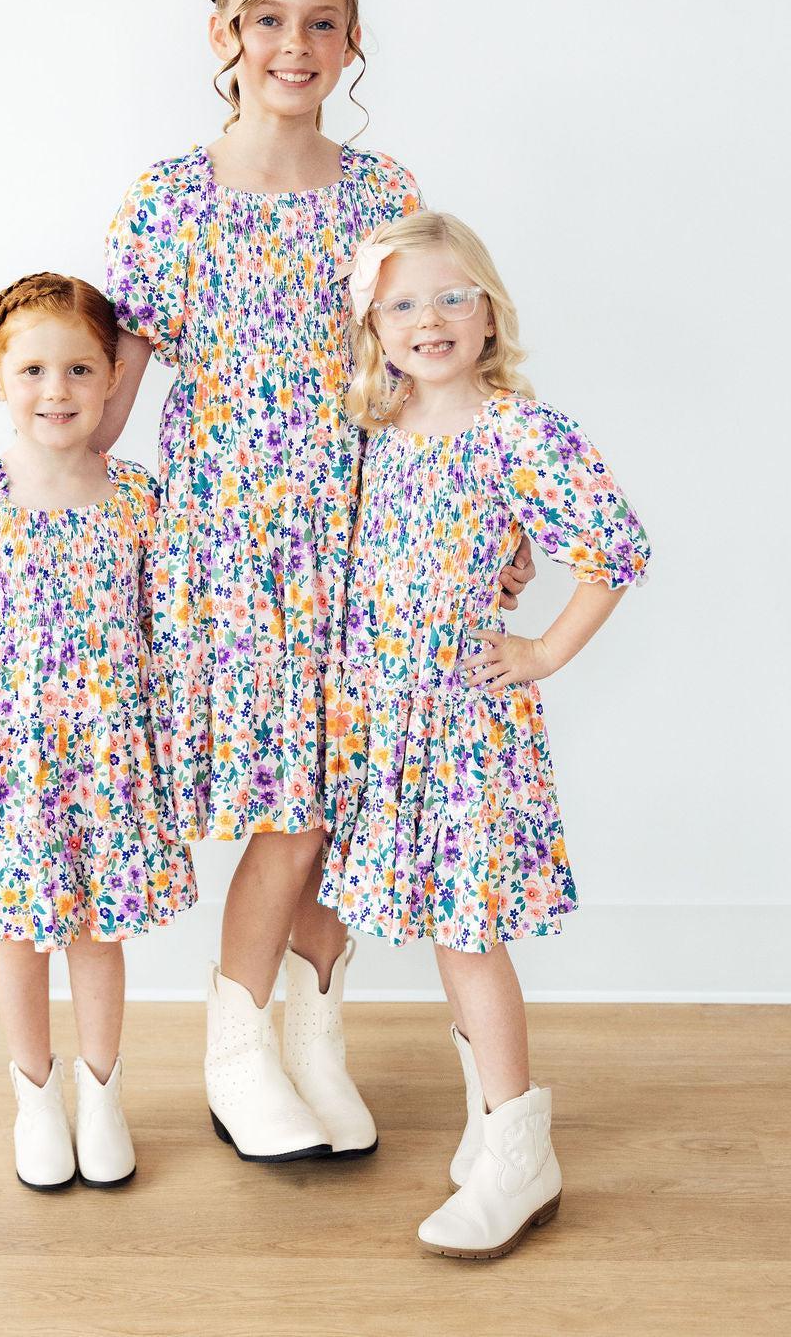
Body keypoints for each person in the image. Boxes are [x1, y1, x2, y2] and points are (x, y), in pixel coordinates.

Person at [97, 0, 534, 1163]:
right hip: (234, 542)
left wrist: (488, 518)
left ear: (350, 43)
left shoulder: (380, 192)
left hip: (373, 529)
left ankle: (312, 1032)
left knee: (349, 797)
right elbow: (111, 400)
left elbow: (430, 371)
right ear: (225, 33)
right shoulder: (171, 198)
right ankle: (237, 1049)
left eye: (322, 21)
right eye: (268, 17)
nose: (295, 43)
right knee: (286, 804)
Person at [321, 211, 650, 1256]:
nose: (430, 318)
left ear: (490, 312)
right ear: (374, 325)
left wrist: (543, 649)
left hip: (466, 725)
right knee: (443, 926)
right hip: (391, 724)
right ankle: (489, 1121)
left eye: (452, 296)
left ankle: (519, 1149)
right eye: (403, 303)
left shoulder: (521, 432)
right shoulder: (374, 430)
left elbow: (614, 549)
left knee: (469, 933)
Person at [0, 273, 196, 1190]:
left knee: (99, 934)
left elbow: (171, 633)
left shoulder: (139, 498)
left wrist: (175, 749)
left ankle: (102, 1096)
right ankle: (36, 1097)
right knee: (20, 933)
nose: (56, 389)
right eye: (32, 369)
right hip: (13, 762)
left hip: (111, 758)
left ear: (113, 377)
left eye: (78, 368)